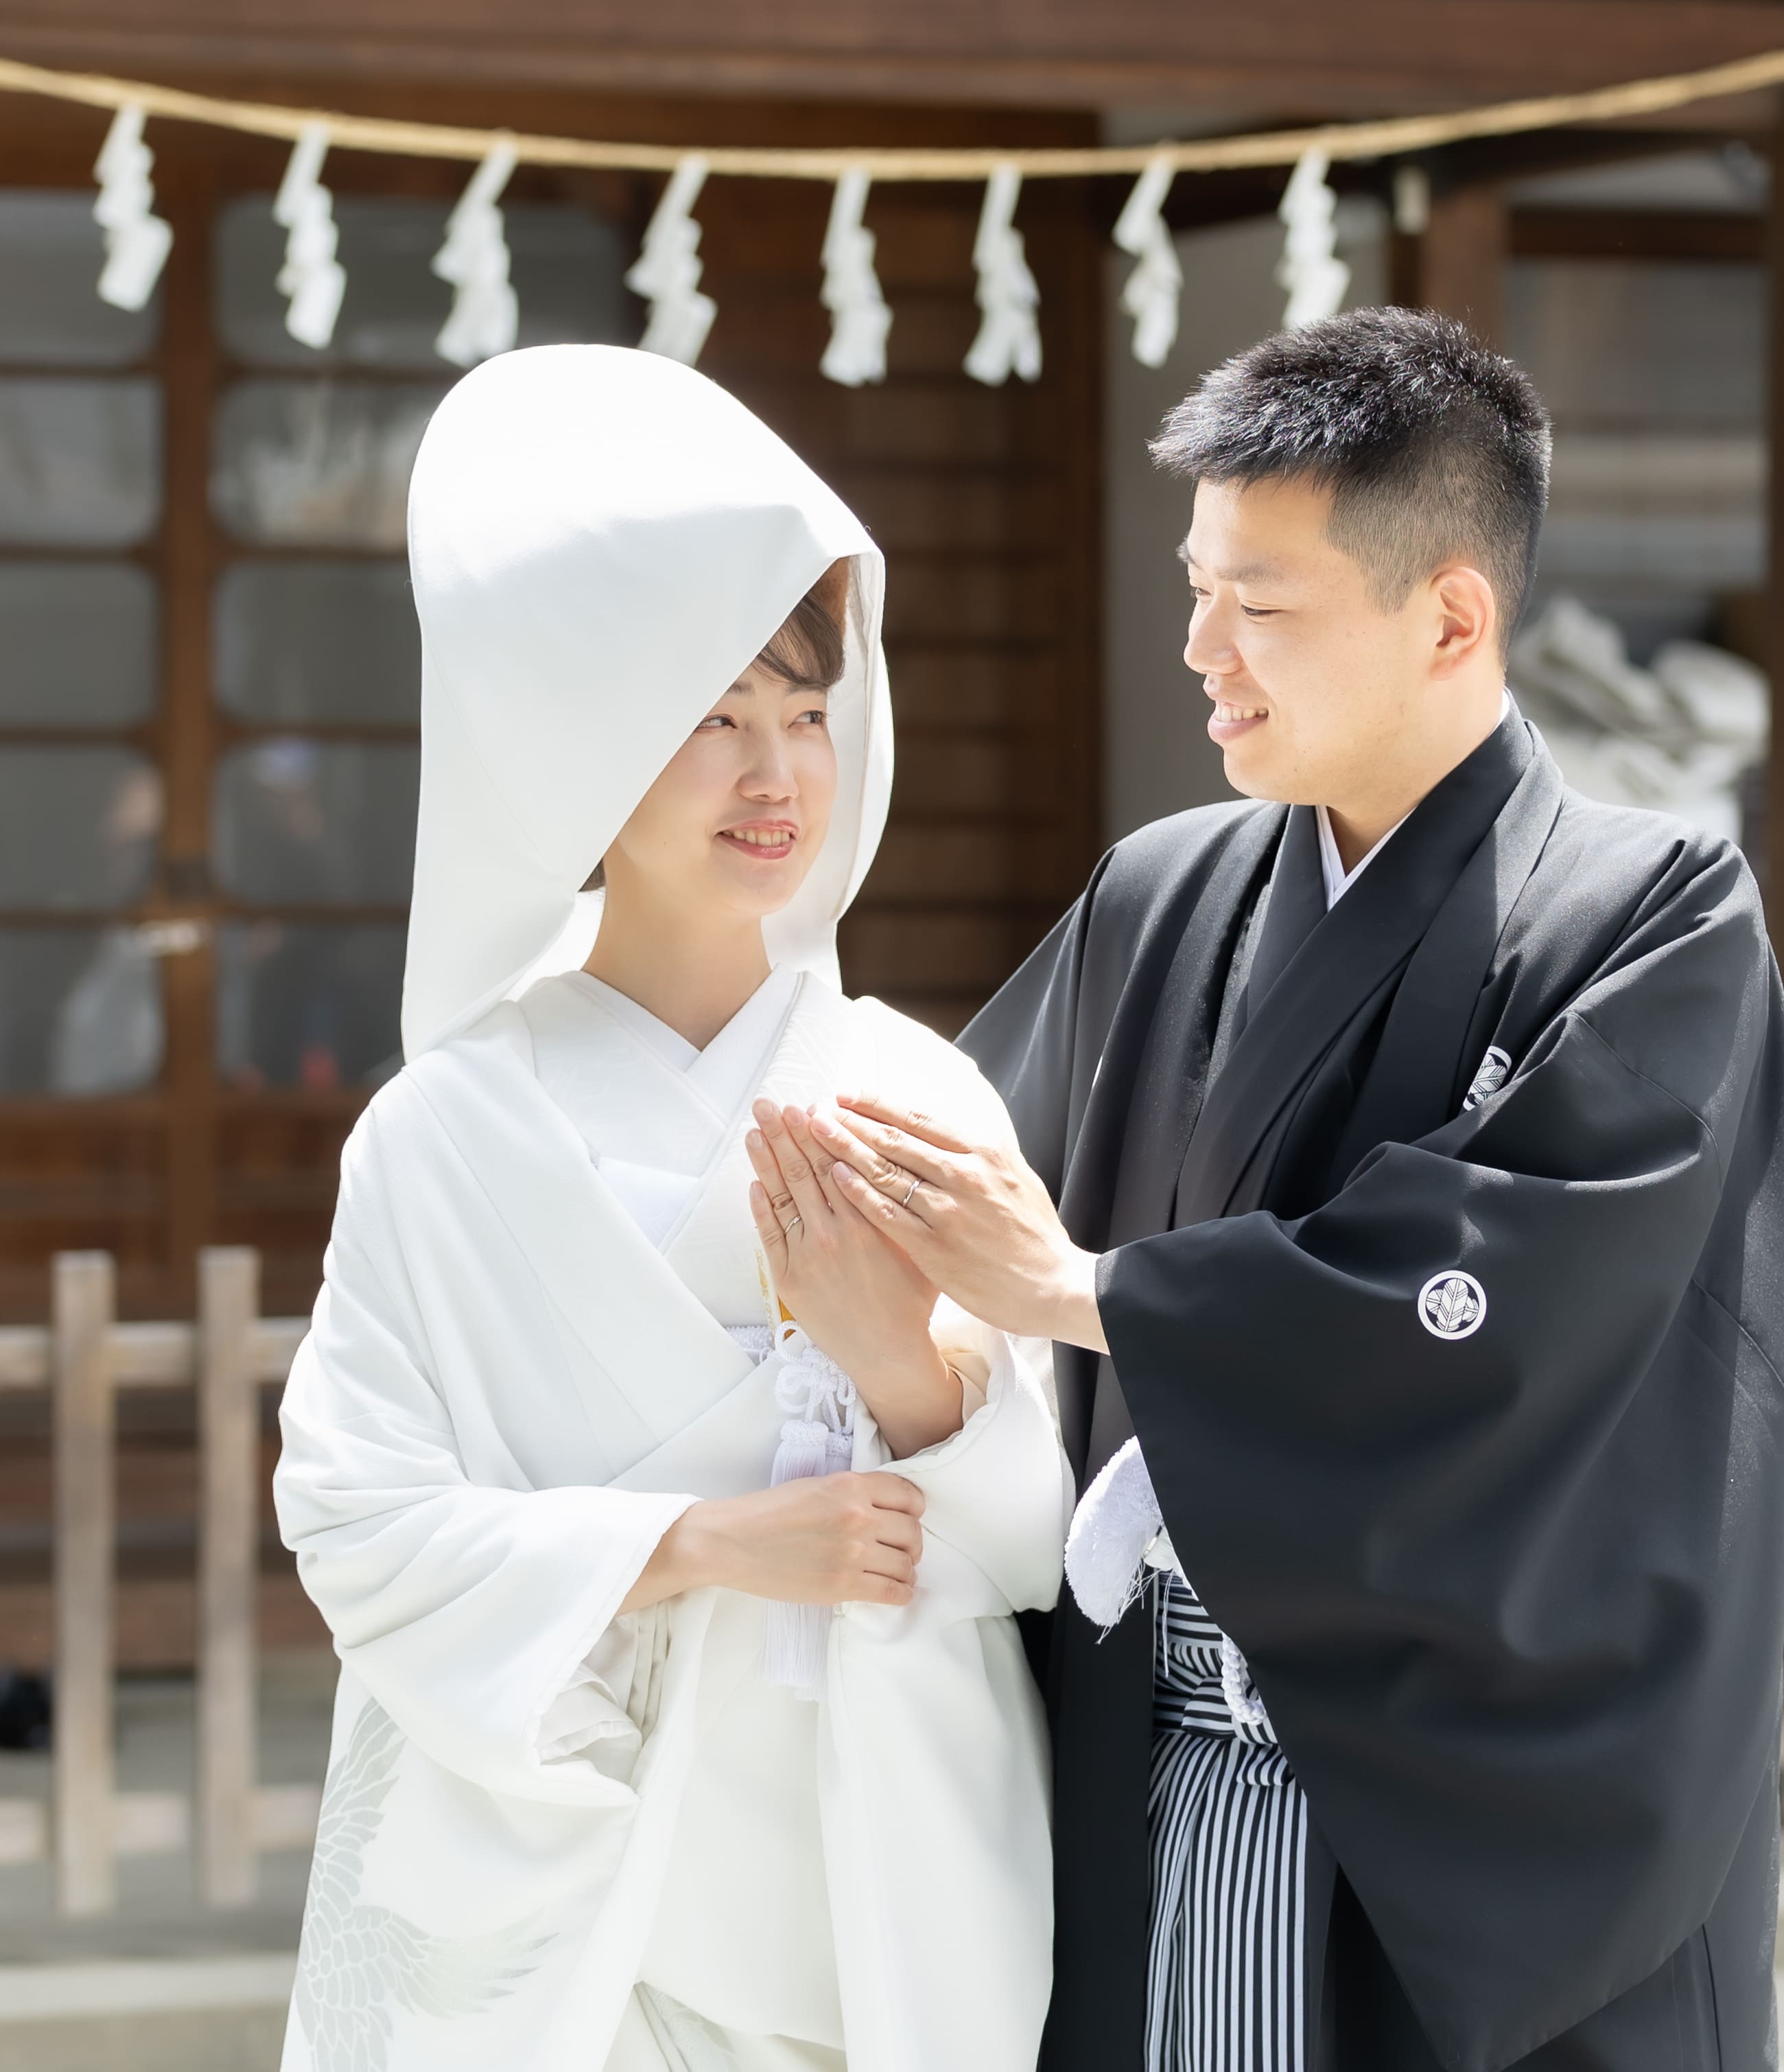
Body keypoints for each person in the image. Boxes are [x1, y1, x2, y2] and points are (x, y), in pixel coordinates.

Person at [801, 307, 1784, 2072]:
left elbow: (1518, 1302)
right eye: (1198, 591)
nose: (1203, 653)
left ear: (1451, 617)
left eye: (1260, 608)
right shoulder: (1157, 895)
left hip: (1471, 1828)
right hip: (1155, 1753)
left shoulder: (1654, 917)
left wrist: (1091, 1291)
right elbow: (948, 1205)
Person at [275, 345, 1068, 2072]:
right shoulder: (449, 1128)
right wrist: (694, 1546)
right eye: (711, 720)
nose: (775, 775)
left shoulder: (909, 1090)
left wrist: (911, 1375)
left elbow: (1028, 1549)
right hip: (567, 1923)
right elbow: (352, 1520)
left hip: (853, 1906)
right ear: (578, 746)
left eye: (806, 714)